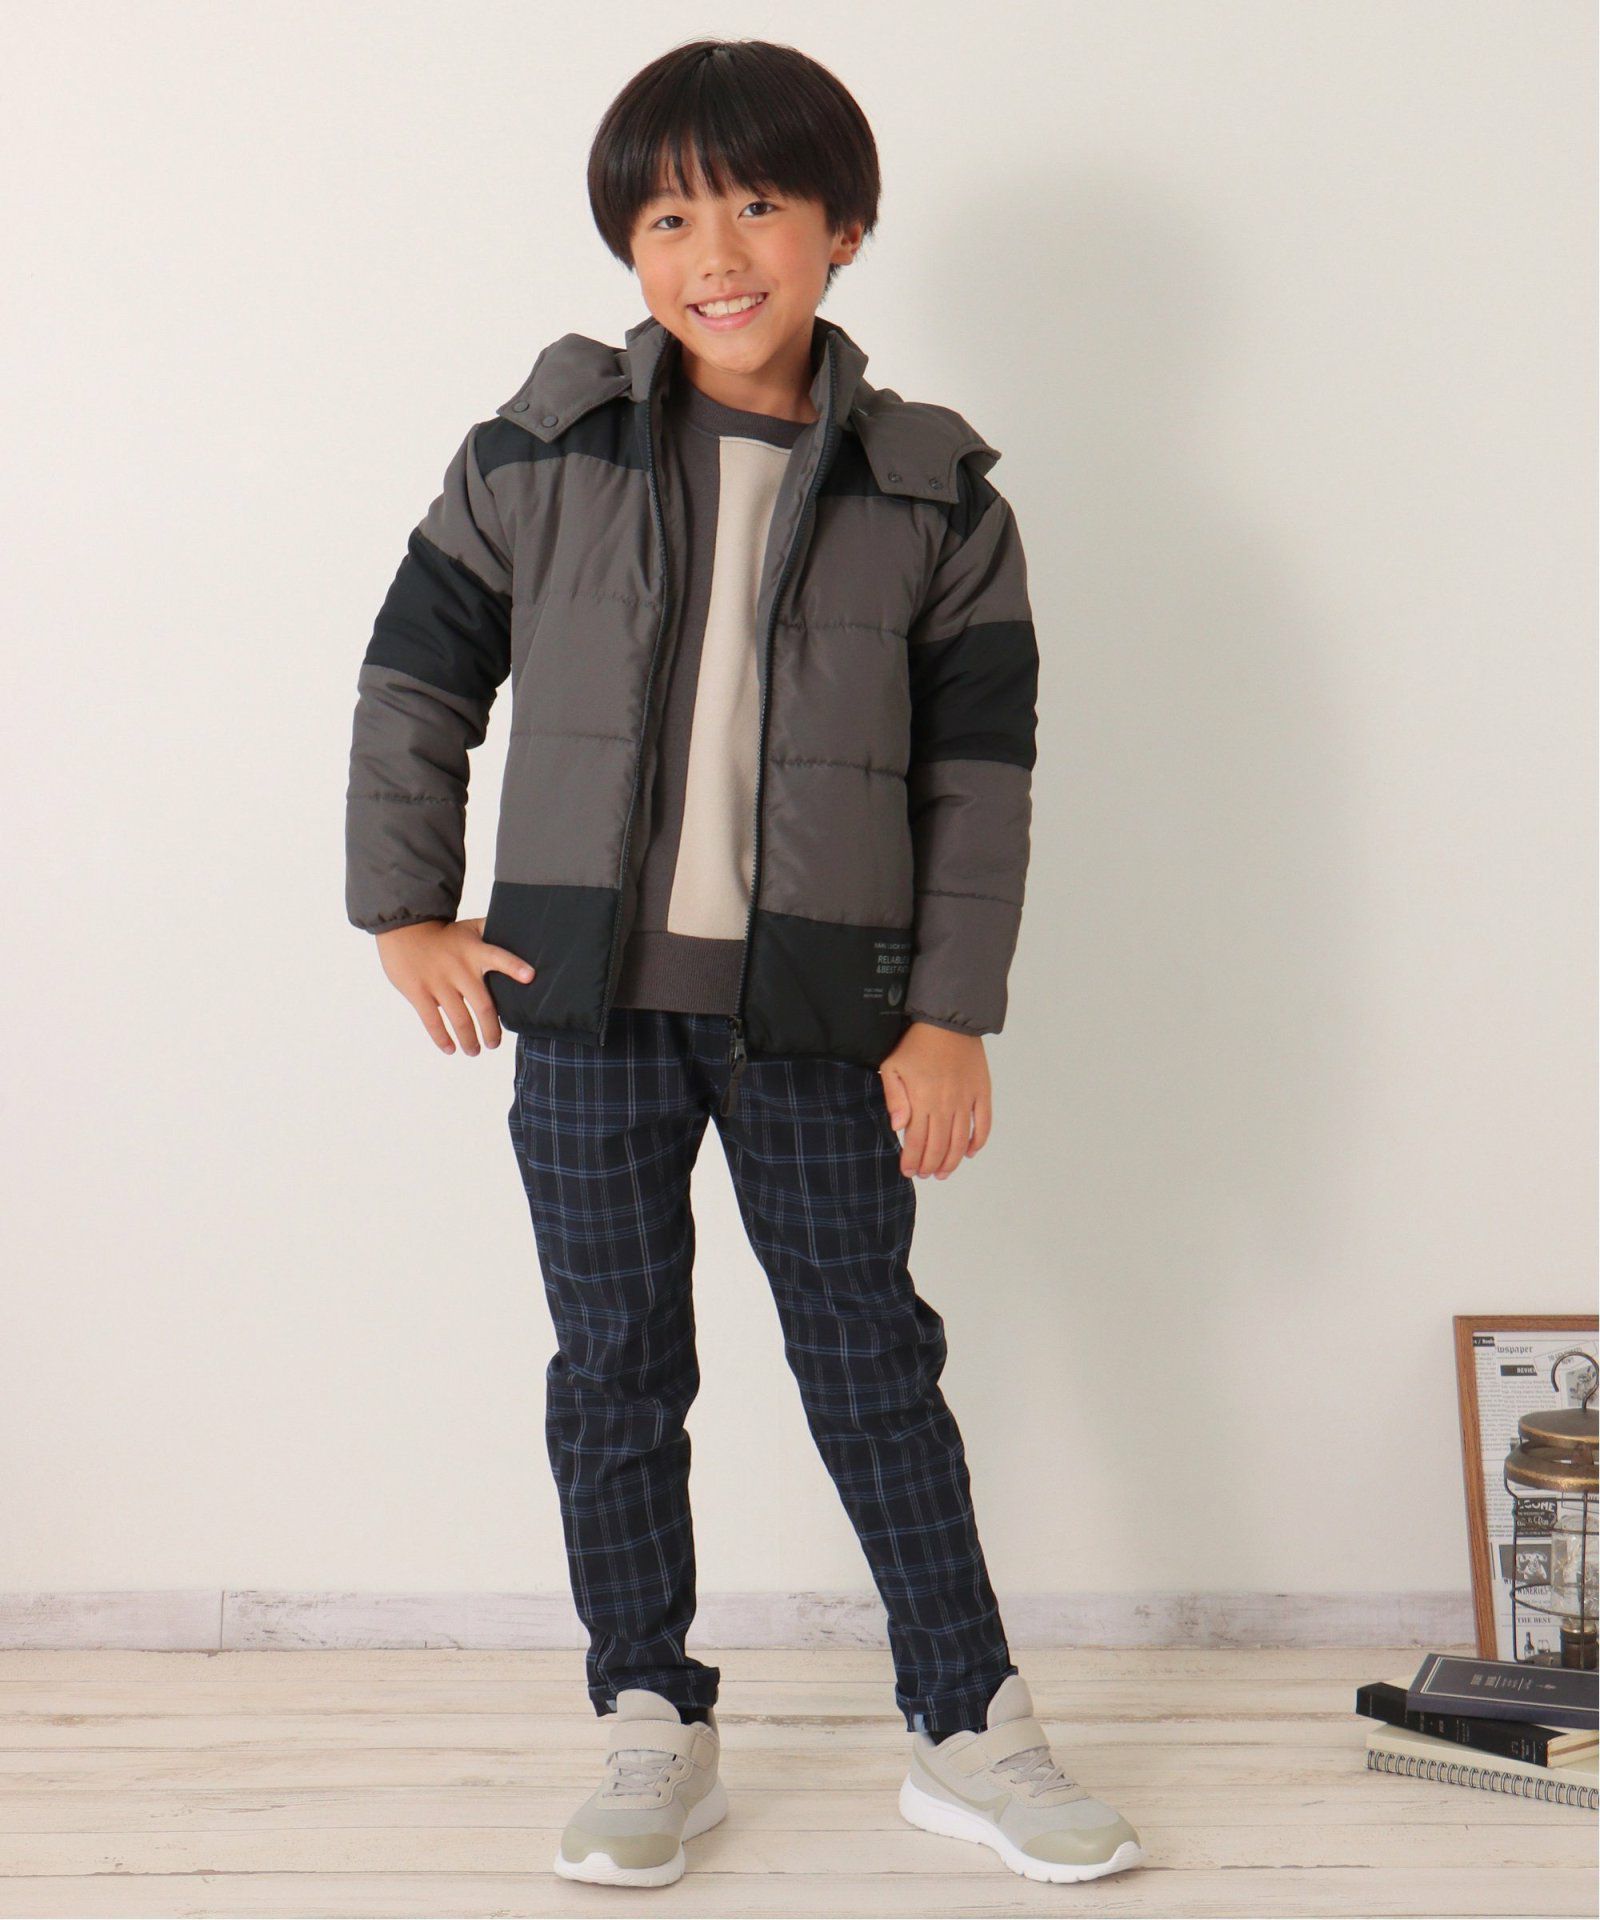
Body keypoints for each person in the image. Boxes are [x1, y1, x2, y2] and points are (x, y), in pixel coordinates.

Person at [345, 34, 1143, 1892]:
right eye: (667, 218)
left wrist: (950, 1015)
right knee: (616, 1368)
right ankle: (650, 1717)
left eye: (760, 205)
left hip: (821, 1018)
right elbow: (414, 681)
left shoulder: (938, 494)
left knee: (871, 1361)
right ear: (628, 246)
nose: (714, 253)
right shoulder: (536, 451)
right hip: (583, 1005)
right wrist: (404, 909)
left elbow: (981, 783)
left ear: (844, 228)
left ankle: (968, 1723)